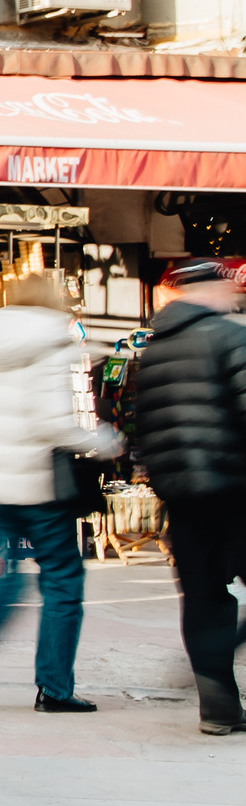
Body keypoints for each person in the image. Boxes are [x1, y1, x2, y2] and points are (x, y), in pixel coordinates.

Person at [0, 272, 122, 711]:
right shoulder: (48, 342)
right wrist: (102, 440)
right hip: (37, 483)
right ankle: (55, 689)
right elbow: (52, 422)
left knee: (0, 577)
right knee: (62, 579)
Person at [125, 258, 246, 733]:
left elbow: (144, 425)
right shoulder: (230, 337)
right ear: (213, 289)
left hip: (182, 494)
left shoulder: (156, 348)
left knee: (202, 595)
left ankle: (217, 703)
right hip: (236, 487)